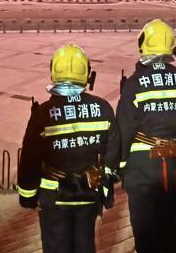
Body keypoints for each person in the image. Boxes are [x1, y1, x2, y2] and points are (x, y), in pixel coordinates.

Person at [17, 44, 120, 253]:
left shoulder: (43, 113)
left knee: (56, 246)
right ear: (87, 74)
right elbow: (114, 150)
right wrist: (106, 181)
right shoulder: (103, 108)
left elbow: (29, 159)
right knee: (85, 244)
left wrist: (28, 196)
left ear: (53, 72)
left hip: (54, 197)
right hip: (89, 193)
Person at [117, 19, 176, 253]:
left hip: (142, 169)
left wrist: (120, 167)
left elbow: (124, 130)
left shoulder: (135, 84)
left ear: (144, 44)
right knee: (168, 221)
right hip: (174, 165)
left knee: (144, 227)